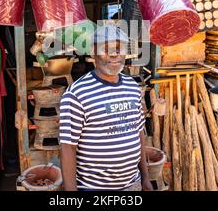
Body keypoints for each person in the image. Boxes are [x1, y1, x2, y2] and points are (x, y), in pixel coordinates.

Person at [59, 24, 152, 191]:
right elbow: (67, 147)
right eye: (105, 48)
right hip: (93, 188)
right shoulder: (77, 93)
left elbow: (139, 133)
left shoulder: (132, 87)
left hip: (132, 185)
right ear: (93, 53)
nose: (114, 54)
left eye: (119, 48)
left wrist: (145, 177)